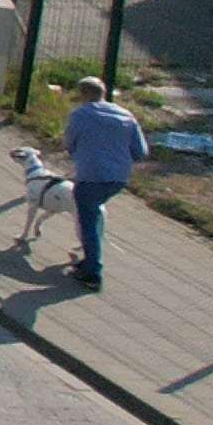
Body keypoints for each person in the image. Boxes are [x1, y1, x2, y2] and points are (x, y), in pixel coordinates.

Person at [62, 82, 147, 289]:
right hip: (118, 178)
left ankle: (93, 273)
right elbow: (141, 151)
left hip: (90, 177)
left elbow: (69, 144)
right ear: (104, 93)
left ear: (83, 94)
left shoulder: (80, 115)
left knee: (88, 222)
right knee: (95, 213)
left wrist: (83, 154)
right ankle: (89, 260)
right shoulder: (126, 115)